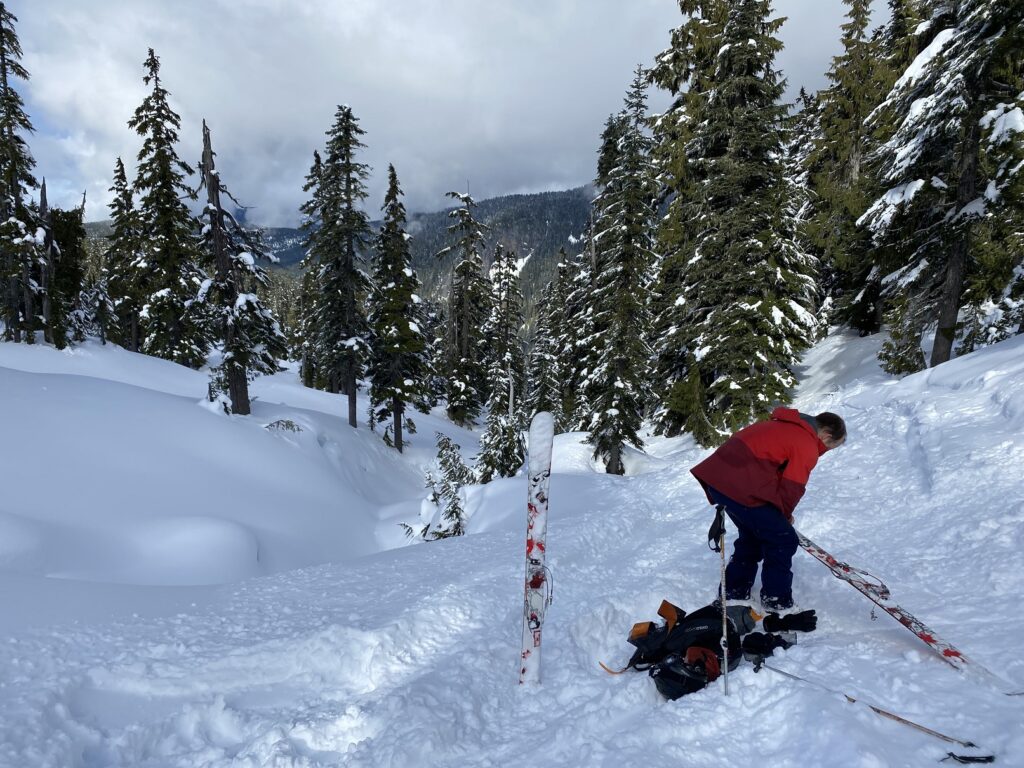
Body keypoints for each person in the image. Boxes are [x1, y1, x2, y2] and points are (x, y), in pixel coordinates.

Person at [690, 408, 846, 611]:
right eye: (830, 446)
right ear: (826, 435)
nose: (824, 451)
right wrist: (783, 516)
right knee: (783, 539)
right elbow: (792, 486)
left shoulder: (782, 425)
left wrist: (777, 513)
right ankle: (777, 600)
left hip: (720, 481)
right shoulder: (806, 442)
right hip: (739, 486)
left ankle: (734, 592)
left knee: (752, 534)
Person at [620, 598, 817, 700]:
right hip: (737, 623)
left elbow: (742, 617)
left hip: (732, 617)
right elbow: (748, 622)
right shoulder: (728, 654)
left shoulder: (682, 640)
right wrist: (780, 627)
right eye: (693, 664)